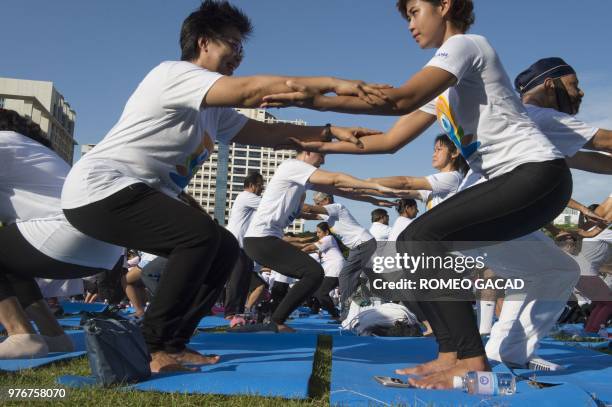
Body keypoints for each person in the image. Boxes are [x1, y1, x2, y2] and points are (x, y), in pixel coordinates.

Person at [59, 0, 388, 372]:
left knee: (225, 247)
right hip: (99, 189)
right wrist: (336, 85)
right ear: (203, 42)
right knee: (198, 236)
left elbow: (271, 133)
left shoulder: (216, 114)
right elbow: (255, 92)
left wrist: (327, 133)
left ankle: (174, 342)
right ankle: (151, 346)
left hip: (130, 195)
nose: (239, 55)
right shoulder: (174, 74)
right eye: (232, 44)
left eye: (241, 47)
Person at [263, 0, 573, 388]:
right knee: (412, 239)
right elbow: (391, 140)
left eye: (413, 11)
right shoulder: (444, 87)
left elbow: (400, 99)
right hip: (517, 180)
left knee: (425, 237)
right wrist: (317, 138)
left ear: (444, 5)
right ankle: (450, 354)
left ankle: (473, 360)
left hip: (537, 174)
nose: (410, 24)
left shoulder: (467, 46)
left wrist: (309, 97)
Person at [0, 109, 122, 359]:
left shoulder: (4, 143)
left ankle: (20, 333)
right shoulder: (33, 151)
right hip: (103, 248)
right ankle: (54, 336)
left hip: (68, 237)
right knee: (10, 264)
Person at [236, 151, 396, 333]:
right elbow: (336, 179)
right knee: (313, 273)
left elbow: (344, 190)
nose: (324, 161)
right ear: (308, 152)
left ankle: (274, 319)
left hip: (262, 241)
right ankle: (275, 320)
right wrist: (373, 184)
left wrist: (373, 198)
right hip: (260, 239)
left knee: (312, 274)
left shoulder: (299, 188)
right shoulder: (291, 167)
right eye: (321, 155)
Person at [224, 171, 264, 325]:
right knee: (236, 279)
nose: (262, 188)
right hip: (235, 244)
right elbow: (270, 205)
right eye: (260, 185)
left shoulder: (252, 200)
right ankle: (230, 313)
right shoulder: (246, 197)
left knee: (244, 281)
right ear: (252, 185)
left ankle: (239, 313)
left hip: (245, 246)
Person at [302, 222, 346, 320]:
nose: (317, 235)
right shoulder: (327, 241)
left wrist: (297, 253)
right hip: (333, 269)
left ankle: (335, 315)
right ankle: (319, 309)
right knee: (318, 290)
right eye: (316, 232)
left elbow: (310, 247)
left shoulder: (328, 238)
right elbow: (310, 248)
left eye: (319, 232)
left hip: (335, 269)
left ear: (326, 232)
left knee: (321, 292)